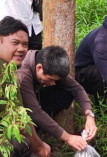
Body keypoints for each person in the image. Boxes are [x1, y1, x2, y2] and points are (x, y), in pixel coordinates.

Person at [17, 46, 98, 151]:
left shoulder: (50, 66)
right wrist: (67, 137)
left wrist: (89, 115)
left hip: (33, 100)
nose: (52, 83)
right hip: (17, 111)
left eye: (55, 80)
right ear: (39, 68)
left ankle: (41, 129)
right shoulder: (23, 75)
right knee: (23, 144)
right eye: (50, 79)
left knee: (65, 92)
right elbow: (35, 112)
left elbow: (77, 89)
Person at [0, 16, 50, 157]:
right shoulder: (5, 72)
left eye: (25, 45)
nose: (21, 49)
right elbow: (19, 121)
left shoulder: (9, 68)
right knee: (20, 142)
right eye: (15, 43)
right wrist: (40, 147)